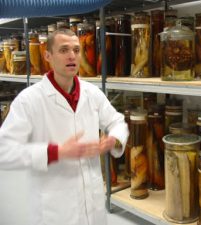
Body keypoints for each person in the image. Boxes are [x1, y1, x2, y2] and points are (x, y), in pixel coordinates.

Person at [0, 28, 129, 225]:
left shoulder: (92, 93)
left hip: (93, 203)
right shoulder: (29, 100)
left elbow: (117, 121)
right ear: (48, 56)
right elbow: (5, 151)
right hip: (55, 209)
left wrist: (114, 140)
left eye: (77, 50)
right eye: (63, 50)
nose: (72, 56)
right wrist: (56, 152)